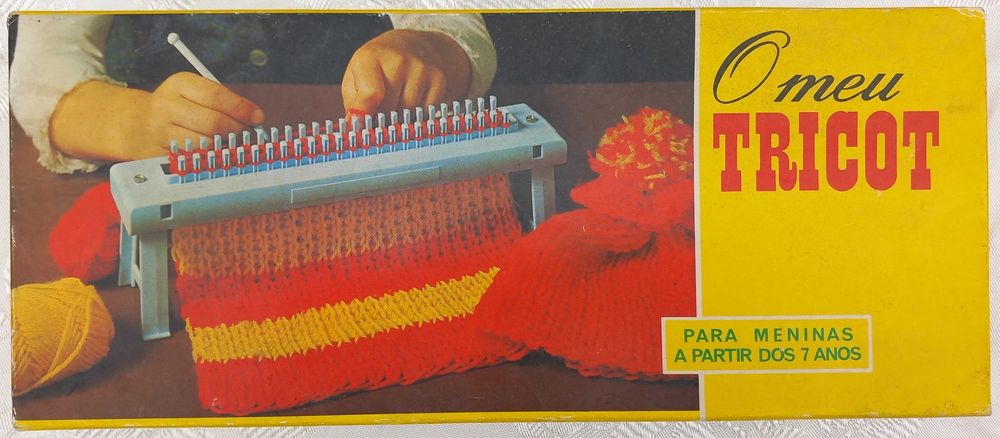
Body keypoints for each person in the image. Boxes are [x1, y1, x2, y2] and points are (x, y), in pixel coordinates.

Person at [10, 14, 496, 173]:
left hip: (373, 162)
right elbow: (42, 73)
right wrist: (134, 123)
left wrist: (429, 47)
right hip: (186, 183)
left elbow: (452, 16)